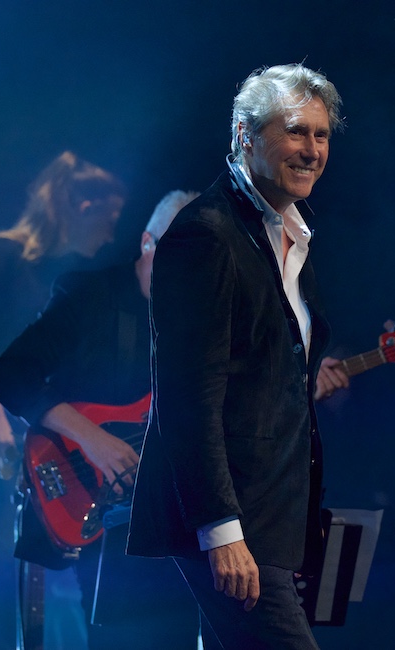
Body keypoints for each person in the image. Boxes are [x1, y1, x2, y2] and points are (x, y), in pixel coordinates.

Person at [126, 63, 349, 649]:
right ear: (246, 135)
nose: (312, 150)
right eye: (296, 131)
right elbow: (187, 400)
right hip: (227, 519)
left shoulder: (289, 235)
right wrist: (221, 531)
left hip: (271, 516)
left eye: (321, 135)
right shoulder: (207, 235)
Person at [0, 189, 201, 649]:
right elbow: (9, 373)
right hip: (91, 505)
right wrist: (92, 439)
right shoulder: (91, 295)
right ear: (147, 242)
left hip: (168, 519)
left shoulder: (200, 326)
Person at [0, 150, 125, 650]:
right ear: (79, 206)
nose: (112, 234)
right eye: (108, 220)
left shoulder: (70, 272)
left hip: (39, 417)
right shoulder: (3, 255)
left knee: (40, 547)